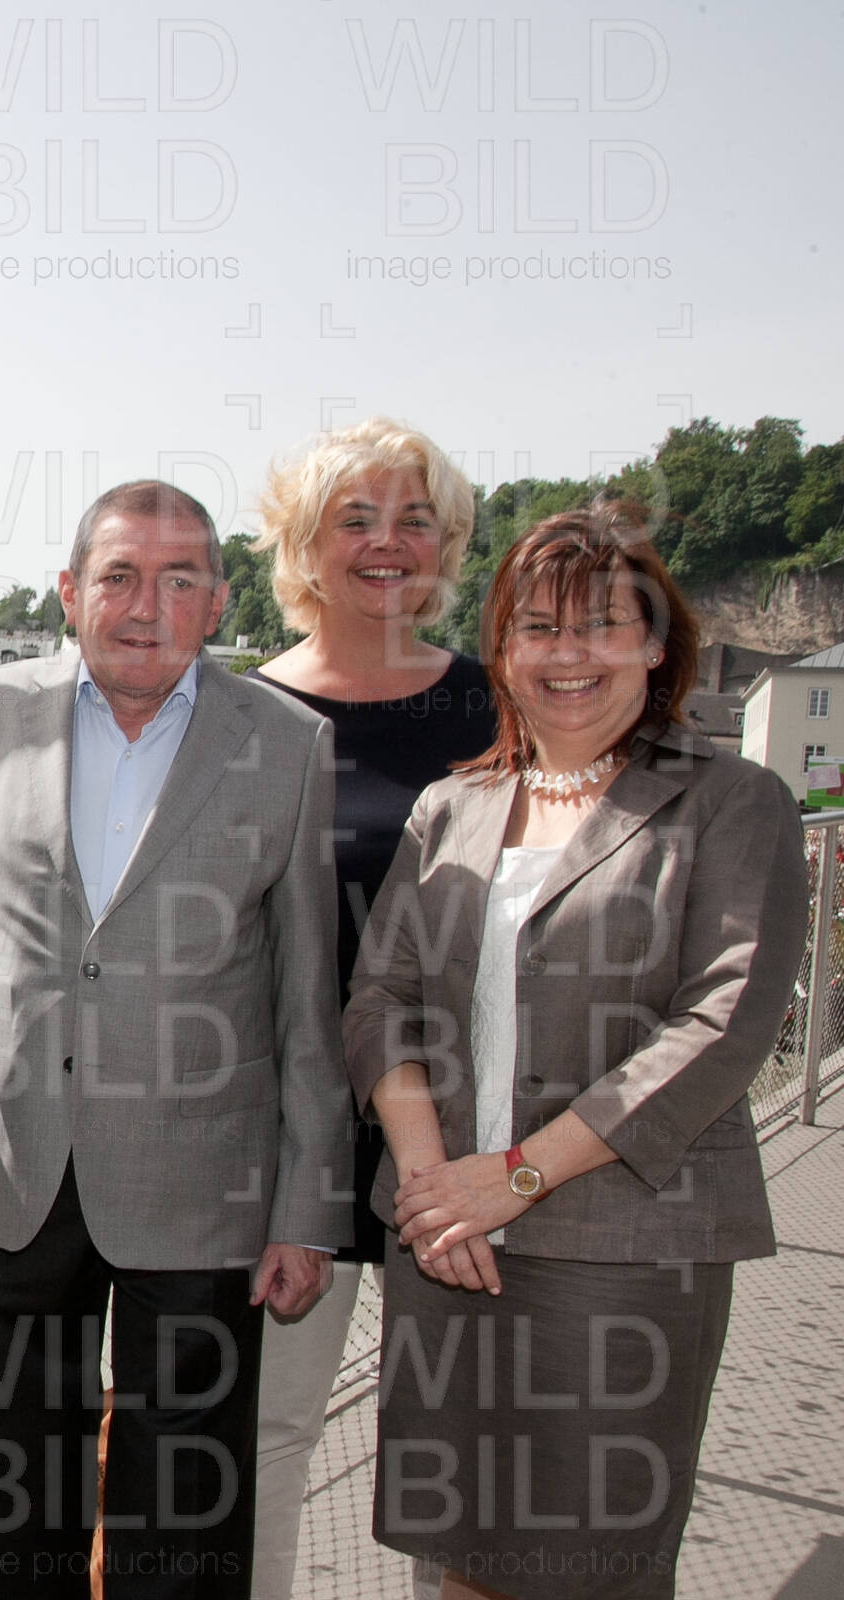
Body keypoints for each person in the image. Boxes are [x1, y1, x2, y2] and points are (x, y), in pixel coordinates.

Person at [344, 504, 803, 1600]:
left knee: (594, 1563)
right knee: (460, 1552)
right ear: (504, 649)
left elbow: (722, 1022)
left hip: (624, 1248)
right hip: (449, 1241)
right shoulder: (450, 807)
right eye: (539, 627)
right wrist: (431, 1187)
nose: (568, 653)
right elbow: (380, 997)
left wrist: (516, 1177)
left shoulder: (732, 801)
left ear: (656, 642)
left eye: (601, 623)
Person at [0, 479, 354, 1599]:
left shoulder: (288, 742)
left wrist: (308, 1207)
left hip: (206, 1183)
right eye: (119, 575)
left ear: (218, 602)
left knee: (181, 1525)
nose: (145, 606)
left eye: (180, 581)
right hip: (19, 1166)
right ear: (70, 591)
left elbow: (306, 993)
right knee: (25, 1504)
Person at [240, 418, 493, 1598]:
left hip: (473, 1132)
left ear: (448, 545)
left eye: (415, 520)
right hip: (290, 1138)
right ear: (302, 543)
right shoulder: (238, 718)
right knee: (261, 1441)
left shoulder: (506, 708)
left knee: (464, 1445)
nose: (388, 543)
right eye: (356, 518)